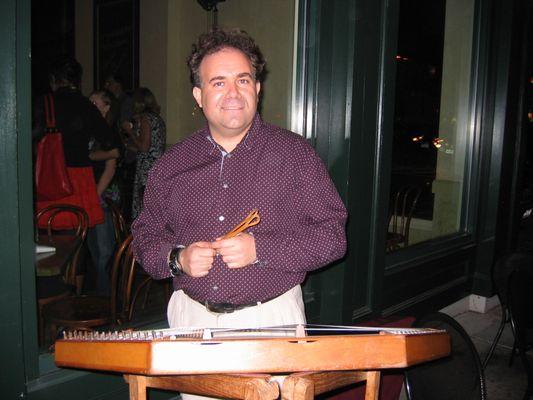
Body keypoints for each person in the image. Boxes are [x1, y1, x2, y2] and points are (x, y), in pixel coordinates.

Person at [131, 28, 346, 336]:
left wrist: (260, 249)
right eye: (218, 82)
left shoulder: (294, 154)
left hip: (272, 319)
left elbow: (333, 237)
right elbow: (144, 236)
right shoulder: (171, 164)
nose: (233, 92)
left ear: (257, 88)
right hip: (190, 321)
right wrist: (178, 259)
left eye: (242, 80)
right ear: (198, 95)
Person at [34, 57, 117, 231]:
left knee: (49, 238)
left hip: (49, 178)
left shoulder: (43, 104)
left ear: (53, 80)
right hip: (79, 181)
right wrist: (90, 154)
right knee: (76, 238)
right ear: (77, 81)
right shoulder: (86, 106)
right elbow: (113, 147)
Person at [87, 90, 123, 294]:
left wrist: (95, 195)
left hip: (103, 195)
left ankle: (106, 300)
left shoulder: (108, 130)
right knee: (95, 249)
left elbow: (110, 168)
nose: (90, 104)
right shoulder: (94, 128)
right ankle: (101, 294)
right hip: (93, 194)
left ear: (107, 106)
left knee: (104, 251)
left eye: (94, 102)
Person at [121, 87, 166, 220]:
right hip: (155, 167)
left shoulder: (146, 119)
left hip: (148, 170)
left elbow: (145, 147)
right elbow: (151, 148)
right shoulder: (157, 118)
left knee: (146, 207)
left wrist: (130, 132)